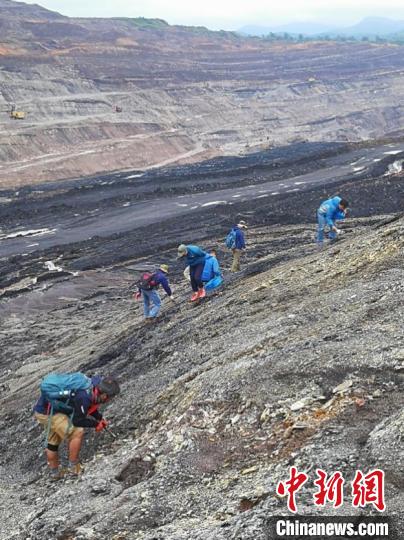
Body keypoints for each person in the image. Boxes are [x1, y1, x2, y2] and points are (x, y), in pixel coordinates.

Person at [34, 374, 120, 479]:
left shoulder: (92, 386)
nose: (109, 399)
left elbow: (84, 407)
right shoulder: (84, 396)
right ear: (105, 395)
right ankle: (73, 467)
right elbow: (78, 420)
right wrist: (96, 424)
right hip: (47, 413)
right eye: (110, 397)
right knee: (77, 432)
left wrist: (99, 417)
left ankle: (54, 473)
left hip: (47, 408)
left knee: (53, 442)